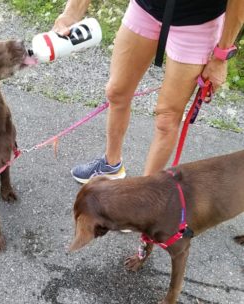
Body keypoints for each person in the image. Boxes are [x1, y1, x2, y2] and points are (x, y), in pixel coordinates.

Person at [53, 0, 244, 184]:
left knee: (166, 120)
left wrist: (221, 55)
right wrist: (72, 12)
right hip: (146, 8)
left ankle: (145, 195)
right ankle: (111, 165)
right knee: (116, 92)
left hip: (197, 22)